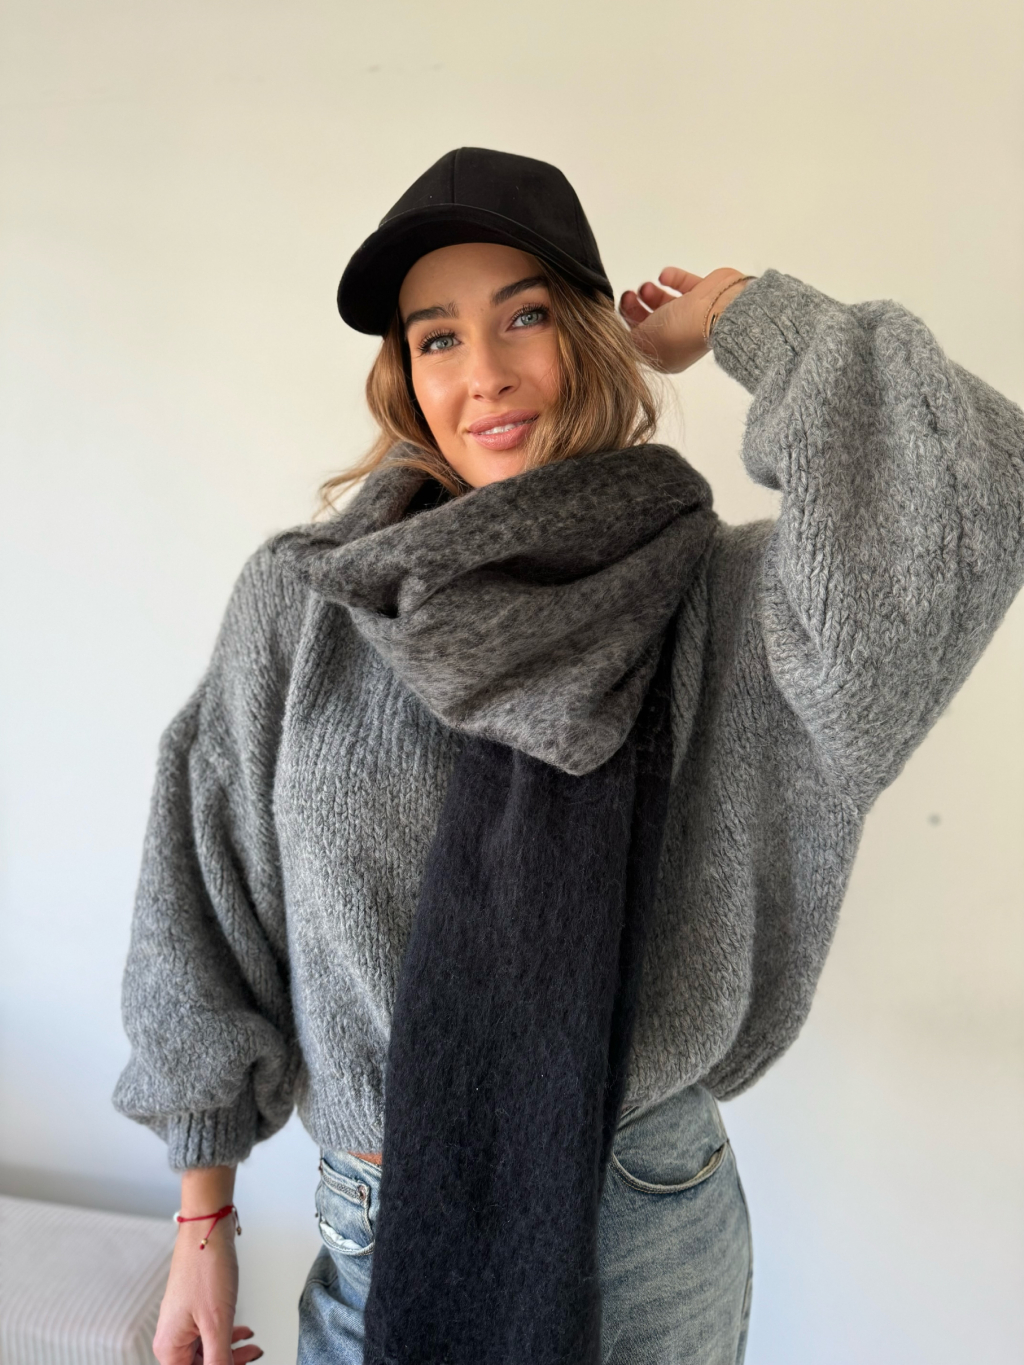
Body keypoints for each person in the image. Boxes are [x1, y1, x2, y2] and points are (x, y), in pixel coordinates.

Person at [113, 148, 1024, 1365]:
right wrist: (201, 1214)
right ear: (405, 376)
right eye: (437, 338)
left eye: (525, 317)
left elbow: (964, 492)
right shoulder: (310, 604)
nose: (483, 373)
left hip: (642, 1219)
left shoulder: (722, 603)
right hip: (381, 1220)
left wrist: (743, 313)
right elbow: (202, 886)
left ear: (589, 337)